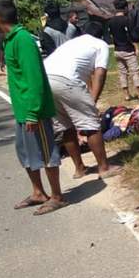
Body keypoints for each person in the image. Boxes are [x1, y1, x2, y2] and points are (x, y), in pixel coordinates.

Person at [0, 0, 67, 216]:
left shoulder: (22, 40)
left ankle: (57, 196)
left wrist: (33, 112)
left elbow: (35, 79)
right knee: (25, 153)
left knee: (46, 152)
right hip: (23, 110)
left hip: (35, 111)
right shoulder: (9, 39)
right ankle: (38, 192)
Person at [43, 21, 124, 180]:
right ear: (101, 34)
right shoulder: (100, 44)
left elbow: (83, 71)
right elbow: (100, 73)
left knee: (66, 127)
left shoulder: (72, 43)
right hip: (66, 80)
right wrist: (92, 101)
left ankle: (79, 168)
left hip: (45, 81)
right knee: (90, 123)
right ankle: (104, 167)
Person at [109, 0, 139, 102]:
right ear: (125, 8)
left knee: (122, 72)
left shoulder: (110, 21)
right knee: (135, 72)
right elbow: (131, 36)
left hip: (117, 50)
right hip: (128, 50)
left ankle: (126, 95)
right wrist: (136, 48)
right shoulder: (127, 20)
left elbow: (111, 36)